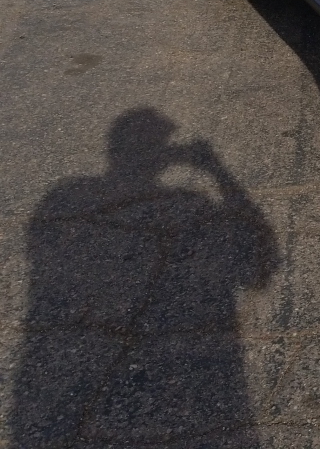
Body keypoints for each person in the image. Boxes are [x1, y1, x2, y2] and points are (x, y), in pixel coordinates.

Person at [11, 107, 278, 446]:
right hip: (200, 369)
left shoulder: (62, 195)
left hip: (50, 381)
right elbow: (259, 269)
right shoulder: (189, 198)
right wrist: (216, 169)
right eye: (161, 141)